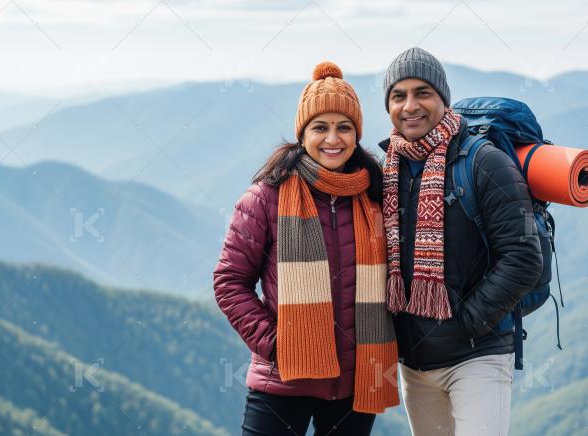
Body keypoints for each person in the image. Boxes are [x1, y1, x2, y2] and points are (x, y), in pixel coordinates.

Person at [214, 61, 399, 436]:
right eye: (321, 127)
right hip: (282, 383)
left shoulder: (376, 196)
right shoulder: (266, 197)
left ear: (356, 135)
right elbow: (229, 282)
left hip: (355, 385)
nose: (333, 139)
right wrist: (277, 345)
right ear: (303, 134)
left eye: (344, 128)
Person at [378, 47, 543, 436]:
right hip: (414, 363)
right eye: (398, 96)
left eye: (423, 93)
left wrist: (468, 323)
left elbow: (523, 255)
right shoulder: (387, 168)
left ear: (443, 99)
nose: (410, 105)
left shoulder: (485, 163)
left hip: (478, 355)